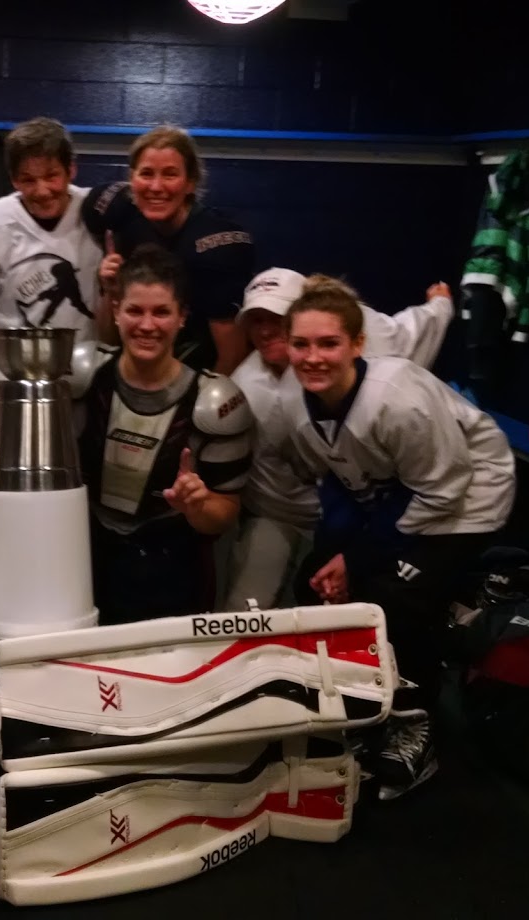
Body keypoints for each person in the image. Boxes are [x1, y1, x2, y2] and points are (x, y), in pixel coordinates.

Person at [277, 274, 515, 800]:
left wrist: (357, 560)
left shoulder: (397, 398)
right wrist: (336, 559)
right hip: (398, 497)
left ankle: (415, 727)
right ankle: (358, 708)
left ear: (357, 344)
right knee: (313, 583)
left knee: (393, 597)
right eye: (301, 344)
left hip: (467, 498)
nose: (313, 357)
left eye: (328, 343)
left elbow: (443, 488)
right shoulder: (297, 406)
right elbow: (339, 484)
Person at [223, 268, 454, 611]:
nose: (267, 330)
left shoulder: (367, 338)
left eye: (278, 318)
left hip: (361, 508)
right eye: (256, 320)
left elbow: (414, 330)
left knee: (352, 603)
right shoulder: (244, 391)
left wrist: (440, 305)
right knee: (247, 609)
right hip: (280, 511)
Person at [73, 245, 254, 624]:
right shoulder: (82, 376)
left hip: (172, 566)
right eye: (135, 310)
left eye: (161, 312)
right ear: (116, 311)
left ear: (182, 317)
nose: (147, 325)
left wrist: (197, 506)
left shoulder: (216, 403)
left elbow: (224, 514)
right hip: (84, 553)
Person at [85, 125, 254, 374]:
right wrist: (111, 291)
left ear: (190, 183)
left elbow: (232, 356)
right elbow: (108, 341)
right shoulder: (120, 219)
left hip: (197, 375)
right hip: (136, 374)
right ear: (131, 178)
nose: (156, 186)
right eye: (146, 173)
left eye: (170, 174)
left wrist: (197, 393)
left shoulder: (214, 245)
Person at [0, 117, 101, 380]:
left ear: (71, 169)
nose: (42, 191)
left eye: (51, 176)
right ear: (13, 180)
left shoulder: (96, 212)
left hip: (82, 381)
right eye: (28, 180)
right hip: (11, 382)